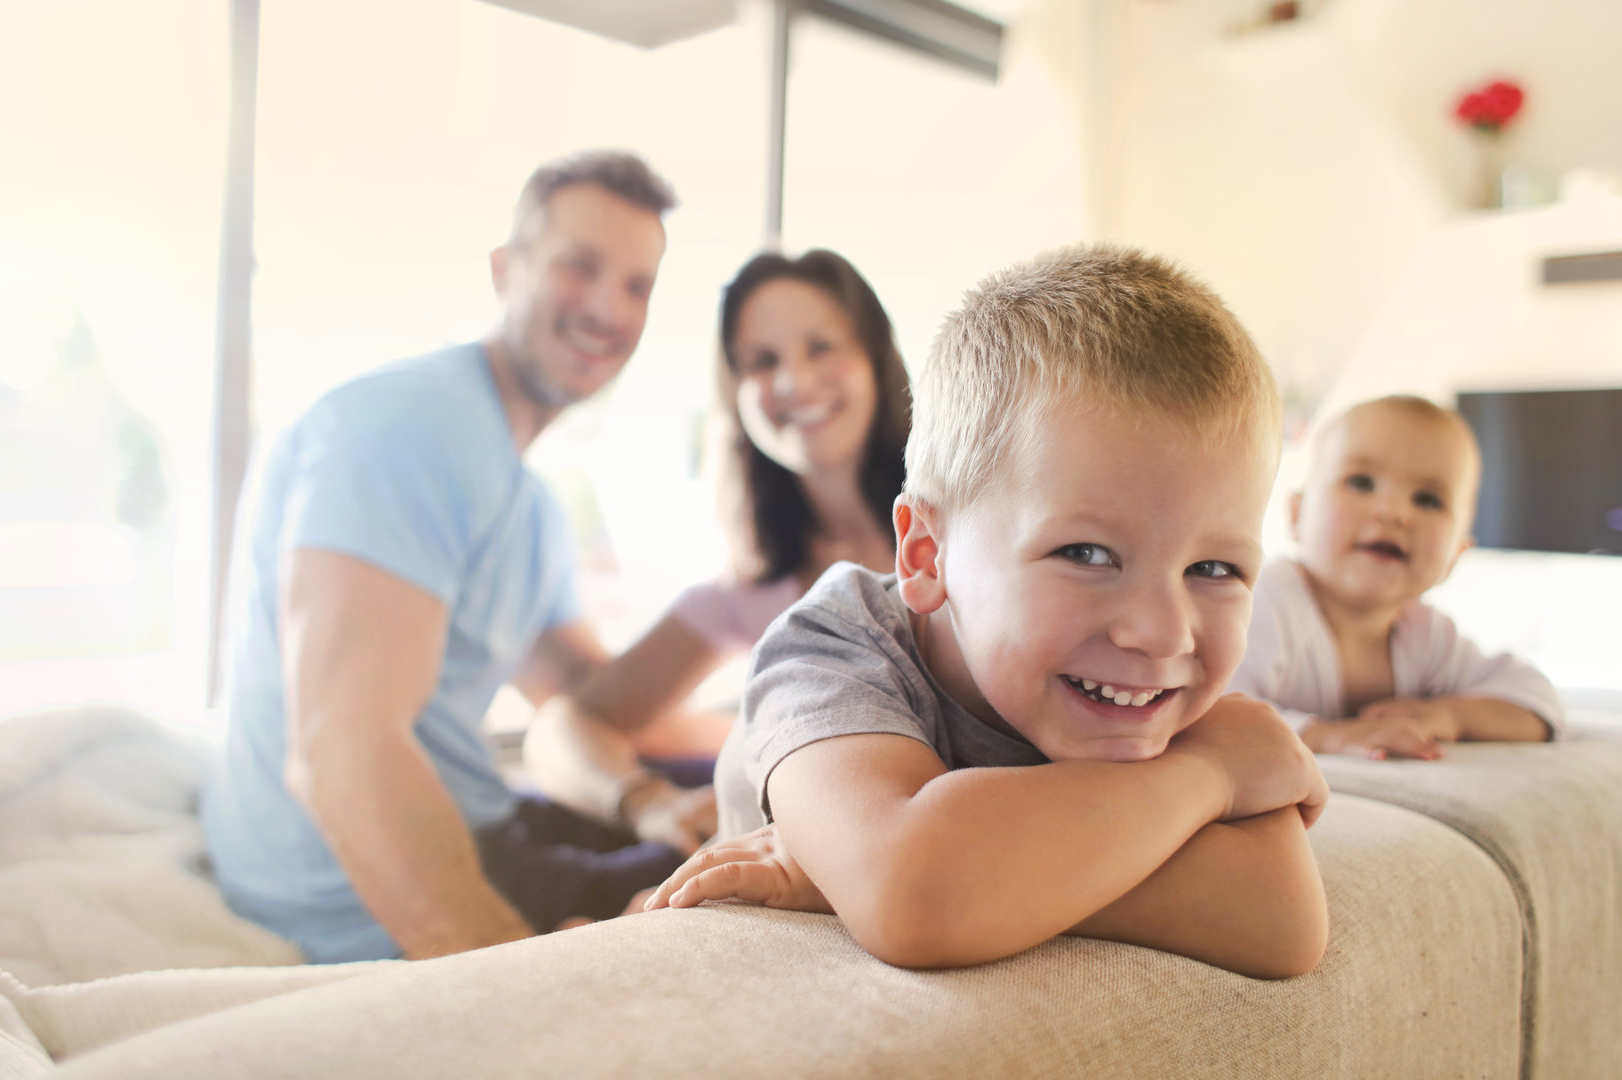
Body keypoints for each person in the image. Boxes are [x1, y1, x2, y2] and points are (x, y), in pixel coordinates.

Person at [644, 245, 1331, 977]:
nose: (1164, 633)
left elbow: (1278, 921)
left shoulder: (1143, 696)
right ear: (925, 557)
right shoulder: (831, 649)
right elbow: (913, 893)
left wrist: (943, 877)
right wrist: (1209, 782)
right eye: (1087, 555)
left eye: (1214, 568)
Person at [202, 150, 714, 964]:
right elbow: (341, 747)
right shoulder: (411, 428)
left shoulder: (526, 498)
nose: (608, 308)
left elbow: (583, 698)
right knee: (768, 881)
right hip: (345, 890)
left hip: (487, 822)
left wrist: (740, 615)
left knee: (751, 808)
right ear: (505, 269)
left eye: (636, 285)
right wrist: (504, 979)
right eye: (579, 266)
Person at [521, 250, 910, 834]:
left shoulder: (972, 528)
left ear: (875, 357)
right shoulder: (748, 592)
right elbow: (560, 730)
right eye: (761, 360)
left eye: (821, 346)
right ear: (734, 391)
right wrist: (645, 800)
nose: (792, 381)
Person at [1227, 394, 1563, 761]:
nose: (1393, 512)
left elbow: (1538, 703)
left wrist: (1451, 715)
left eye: (1427, 500)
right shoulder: (1266, 604)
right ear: (1297, 514)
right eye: (1361, 482)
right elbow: (1213, 712)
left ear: (1455, 555)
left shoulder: (1426, 634)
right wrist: (1323, 735)